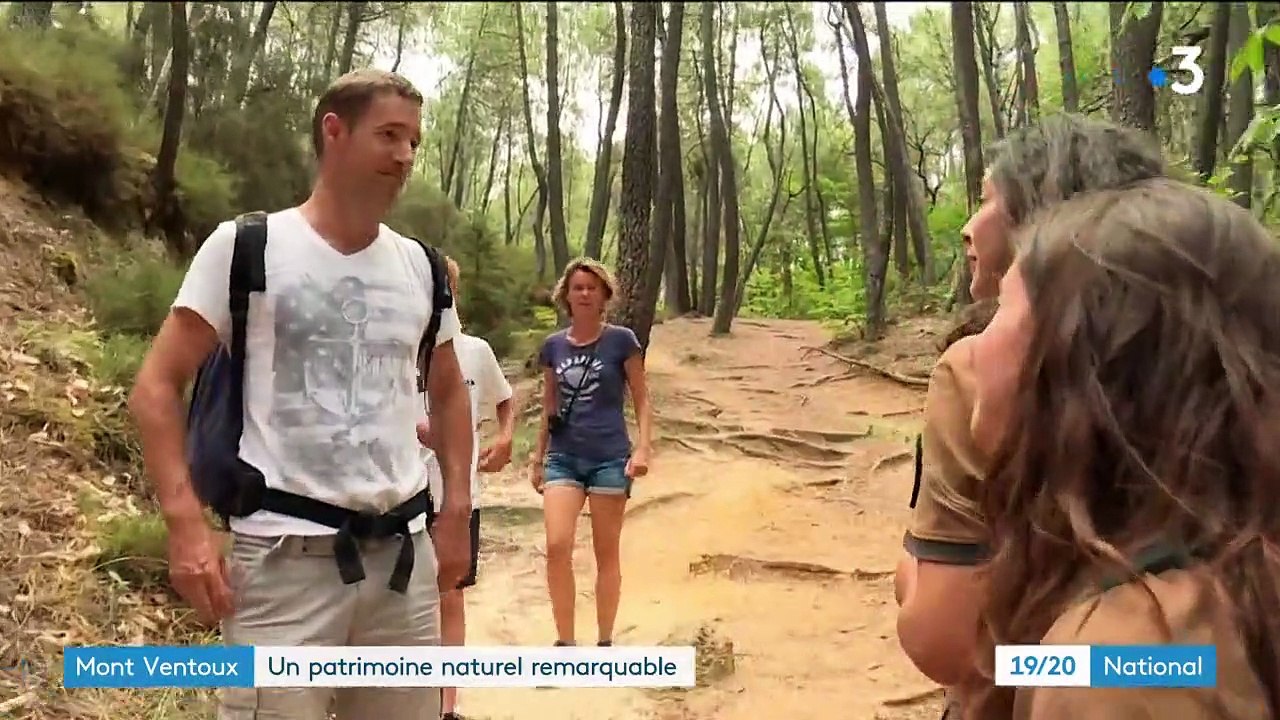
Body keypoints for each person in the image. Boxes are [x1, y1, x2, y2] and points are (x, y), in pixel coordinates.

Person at [128, 69, 476, 720]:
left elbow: (451, 393)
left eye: (415, 143)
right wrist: (184, 526)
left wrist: (455, 513)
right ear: (334, 132)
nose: (404, 156)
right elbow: (156, 386)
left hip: (403, 566)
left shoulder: (423, 269)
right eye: (390, 136)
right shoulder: (248, 248)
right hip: (282, 565)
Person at [965, 177, 1277, 719]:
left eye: (1003, 313)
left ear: (1081, 377)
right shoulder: (1228, 579)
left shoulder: (1120, 664)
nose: (972, 350)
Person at [893, 113, 1168, 715]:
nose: (968, 227)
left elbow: (948, 645)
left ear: (1041, 218)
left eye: (988, 201)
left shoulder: (975, 370)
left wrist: (910, 571)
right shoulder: (1198, 355)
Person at [530, 257, 652, 647]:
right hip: (564, 457)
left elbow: (643, 399)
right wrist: (537, 458)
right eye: (577, 287)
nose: (583, 294)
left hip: (610, 459)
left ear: (604, 296)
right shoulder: (553, 347)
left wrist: (644, 448)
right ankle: (565, 642)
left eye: (591, 288)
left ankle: (604, 642)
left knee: (606, 552)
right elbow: (549, 407)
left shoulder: (622, 341)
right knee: (556, 545)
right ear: (566, 295)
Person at [418, 256, 516, 720]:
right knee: (398, 600)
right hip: (399, 495)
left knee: (450, 594)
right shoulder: (396, 348)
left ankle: (446, 705)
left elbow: (505, 399)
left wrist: (505, 436)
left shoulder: (475, 350)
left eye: (445, 286)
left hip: (457, 495)